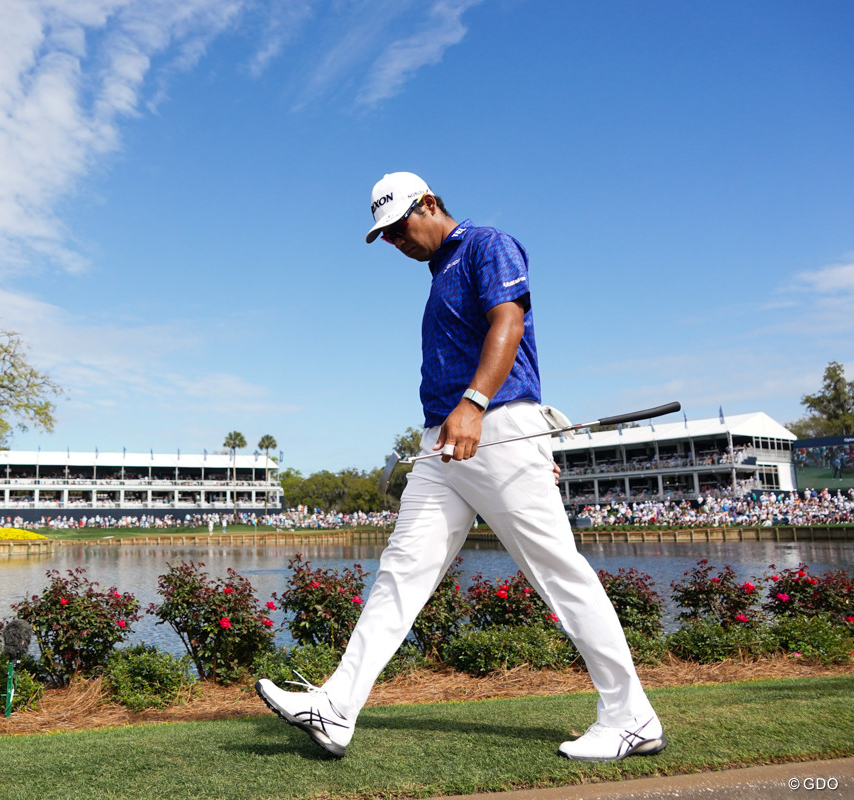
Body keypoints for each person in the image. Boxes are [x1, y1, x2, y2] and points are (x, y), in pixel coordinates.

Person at [256, 172, 665, 762]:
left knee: (558, 572)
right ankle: (337, 707)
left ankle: (631, 717)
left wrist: (474, 405)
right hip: (444, 442)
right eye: (387, 237)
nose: (397, 242)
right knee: (401, 571)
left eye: (400, 228)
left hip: (492, 425)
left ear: (428, 203)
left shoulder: (486, 244)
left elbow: (509, 322)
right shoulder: (437, 274)